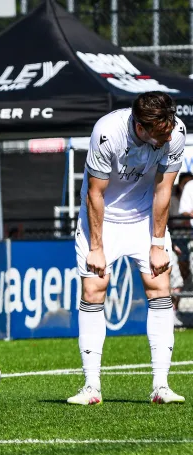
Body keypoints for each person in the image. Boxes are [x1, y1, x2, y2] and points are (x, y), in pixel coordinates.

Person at [71, 91, 186, 406]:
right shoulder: (107, 133)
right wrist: (97, 247)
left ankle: (161, 387)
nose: (166, 139)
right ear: (140, 126)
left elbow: (164, 189)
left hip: (144, 218)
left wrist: (157, 243)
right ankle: (91, 387)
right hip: (102, 217)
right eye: (159, 135)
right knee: (94, 290)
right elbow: (95, 193)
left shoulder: (174, 133)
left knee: (159, 287)